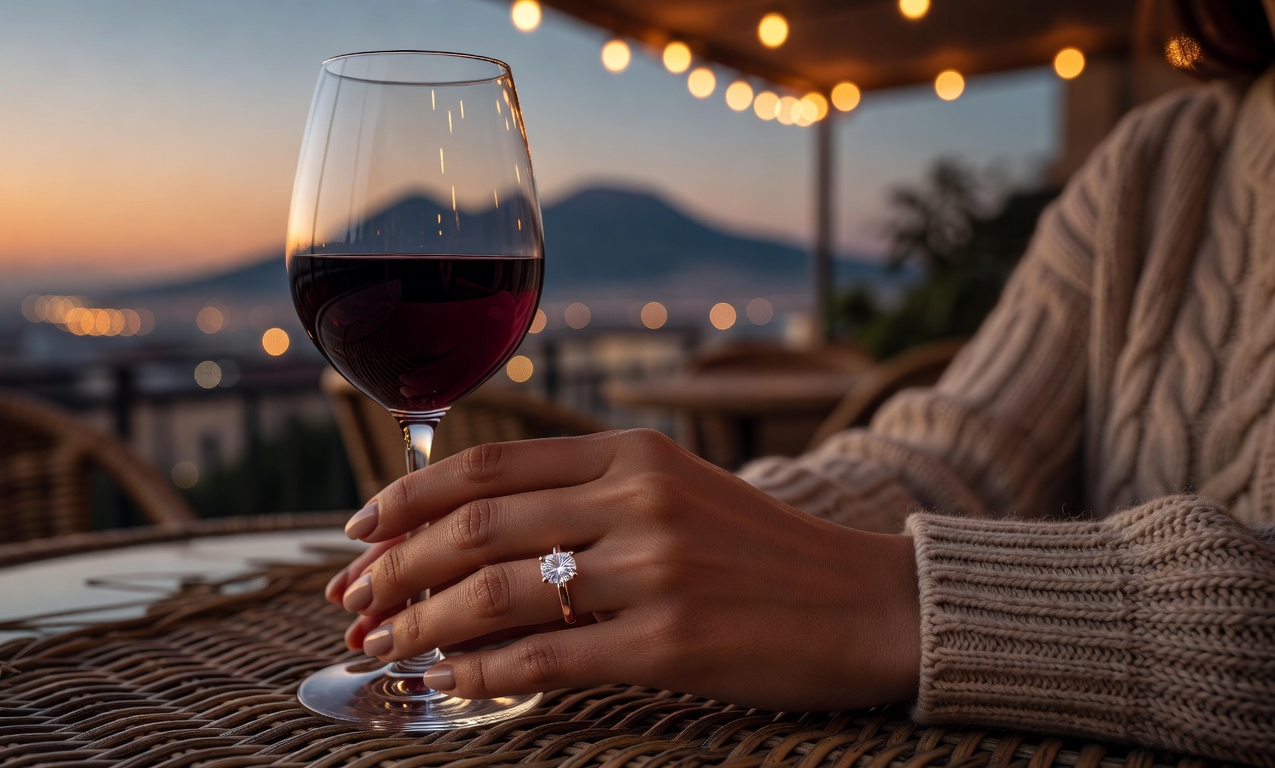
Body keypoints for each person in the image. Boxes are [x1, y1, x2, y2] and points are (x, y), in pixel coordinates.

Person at [324, 1, 1275, 763]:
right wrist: (678, 547)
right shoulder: (1160, 165)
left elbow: (885, 573)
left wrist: (895, 601)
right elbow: (960, 458)